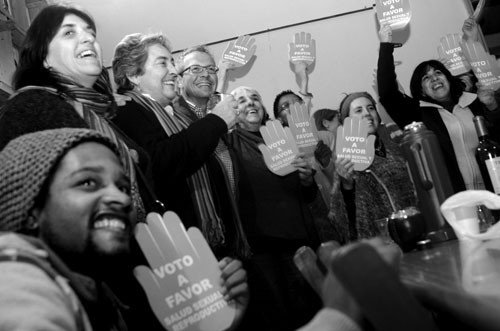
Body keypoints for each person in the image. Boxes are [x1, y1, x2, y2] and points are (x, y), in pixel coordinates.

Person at [0, 128, 250, 331]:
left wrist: (212, 322)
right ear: (31, 210)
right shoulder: (18, 283)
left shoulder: (95, 290)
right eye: (87, 182)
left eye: (122, 186)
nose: (122, 199)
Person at [0, 4, 152, 220]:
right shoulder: (30, 107)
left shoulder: (97, 113)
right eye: (69, 32)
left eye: (91, 33)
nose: (89, 39)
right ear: (43, 56)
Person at [111, 33, 250, 259]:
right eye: (162, 63)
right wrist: (216, 122)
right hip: (179, 252)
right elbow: (162, 162)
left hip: (213, 246)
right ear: (133, 75)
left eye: (172, 62)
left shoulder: (174, 118)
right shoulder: (127, 111)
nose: (174, 71)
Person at [228, 86, 323, 330]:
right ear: (231, 111)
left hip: (301, 239)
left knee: (314, 309)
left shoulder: (282, 135)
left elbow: (308, 195)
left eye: (255, 98)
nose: (251, 103)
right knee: (281, 317)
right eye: (241, 101)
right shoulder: (227, 145)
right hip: (263, 248)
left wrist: (306, 179)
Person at [377, 24, 500, 193]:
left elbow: (497, 134)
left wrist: (492, 106)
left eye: (438, 73)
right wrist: (386, 46)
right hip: (454, 199)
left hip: (494, 190)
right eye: (426, 78)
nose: (434, 78)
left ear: (448, 78)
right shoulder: (417, 113)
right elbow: (387, 94)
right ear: (421, 90)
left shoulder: (474, 101)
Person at [331, 92, 417, 243]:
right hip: (378, 244)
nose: (367, 114)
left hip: (414, 229)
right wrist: (346, 185)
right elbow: (340, 217)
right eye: (358, 111)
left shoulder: (396, 146)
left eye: (370, 108)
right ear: (347, 121)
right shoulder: (345, 159)